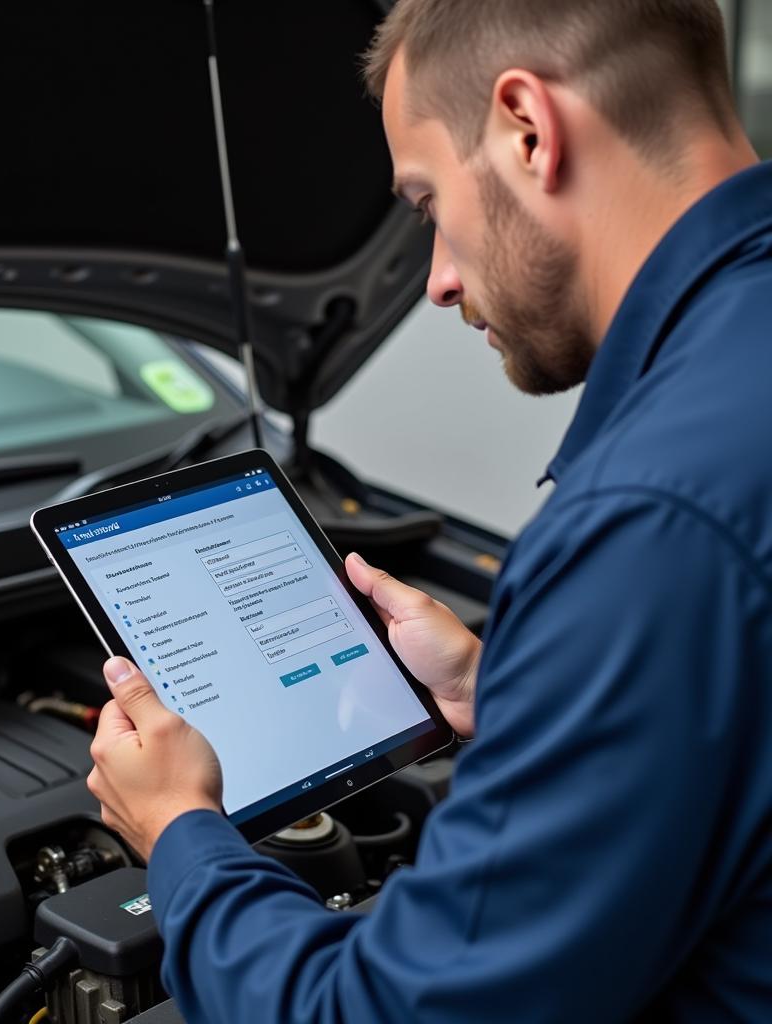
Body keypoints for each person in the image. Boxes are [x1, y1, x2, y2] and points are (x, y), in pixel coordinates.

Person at [87, 0, 772, 1019]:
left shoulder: (646, 522)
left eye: (426, 204)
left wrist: (183, 831)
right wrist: (514, 695)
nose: (441, 281)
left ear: (527, 129)